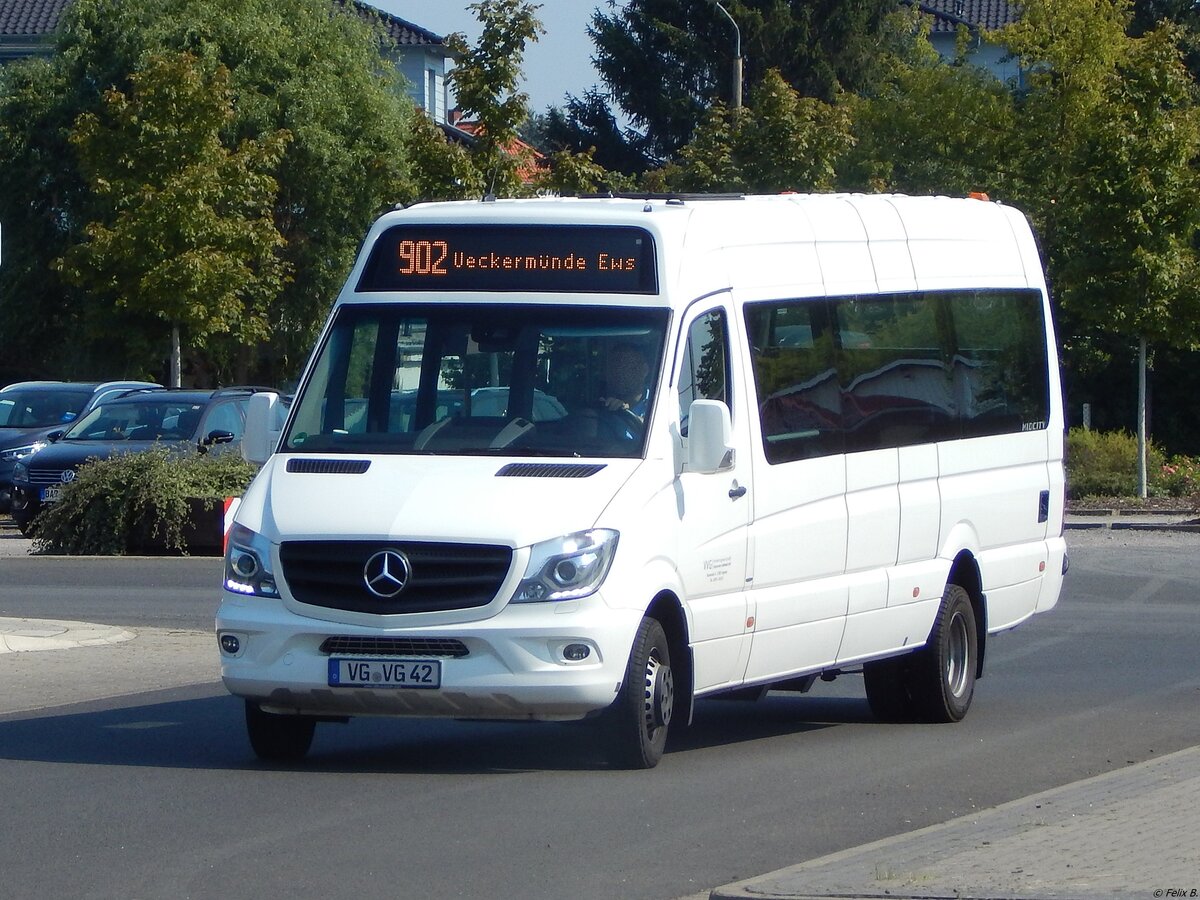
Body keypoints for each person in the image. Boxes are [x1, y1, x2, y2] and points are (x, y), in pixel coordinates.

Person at [599, 342, 650, 419]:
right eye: (615, 367)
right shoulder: (601, 406)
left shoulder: (661, 402)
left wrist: (641, 423)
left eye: (628, 366)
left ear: (644, 370)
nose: (620, 372)